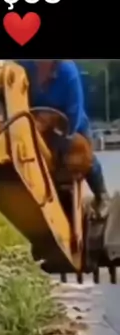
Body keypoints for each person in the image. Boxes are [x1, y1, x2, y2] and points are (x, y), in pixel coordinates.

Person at [16, 60, 110, 217]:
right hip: (34, 126)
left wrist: (57, 130)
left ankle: (102, 195)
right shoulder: (24, 66)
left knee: (81, 154)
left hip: (70, 126)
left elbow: (74, 112)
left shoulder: (67, 71)